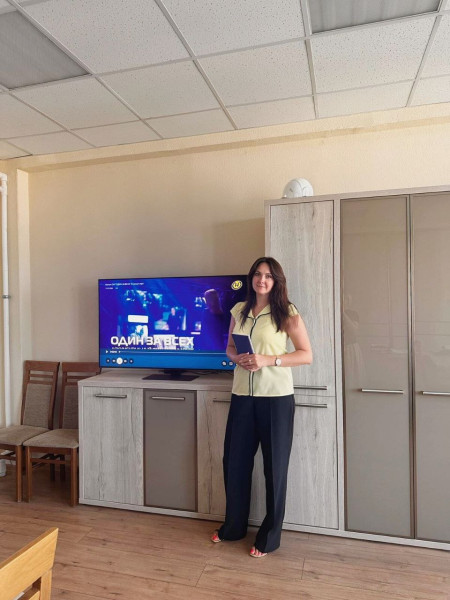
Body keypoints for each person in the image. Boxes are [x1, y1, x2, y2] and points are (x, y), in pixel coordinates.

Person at [211, 256, 312, 557]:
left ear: (276, 281)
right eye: (257, 274)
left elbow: (306, 354)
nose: (262, 280)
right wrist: (238, 358)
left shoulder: (287, 312)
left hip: (276, 400)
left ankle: (269, 538)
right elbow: (230, 347)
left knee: (274, 468)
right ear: (251, 278)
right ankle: (233, 527)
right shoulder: (239, 310)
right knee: (235, 464)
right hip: (242, 396)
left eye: (268, 275)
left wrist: (269, 360)